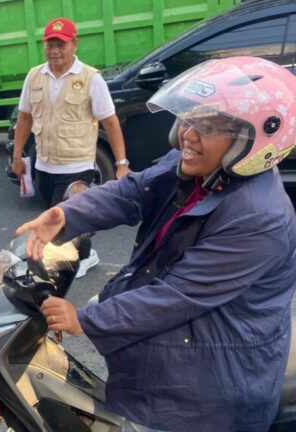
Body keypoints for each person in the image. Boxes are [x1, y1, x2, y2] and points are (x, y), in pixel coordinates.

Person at [17, 56, 296, 431]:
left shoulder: (260, 218)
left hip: (204, 389)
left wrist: (85, 319)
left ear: (255, 140)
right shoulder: (195, 167)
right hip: (171, 355)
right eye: (190, 118)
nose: (188, 135)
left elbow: (177, 296)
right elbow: (133, 191)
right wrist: (68, 214)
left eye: (209, 125)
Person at [10, 17, 130, 279]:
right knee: (55, 216)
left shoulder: (90, 78)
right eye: (49, 44)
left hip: (77, 165)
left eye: (60, 44)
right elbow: (25, 118)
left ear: (74, 44)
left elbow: (109, 121)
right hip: (44, 164)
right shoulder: (35, 76)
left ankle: (83, 256)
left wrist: (122, 164)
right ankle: (62, 250)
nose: (54, 50)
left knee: (64, 217)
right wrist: (17, 156)